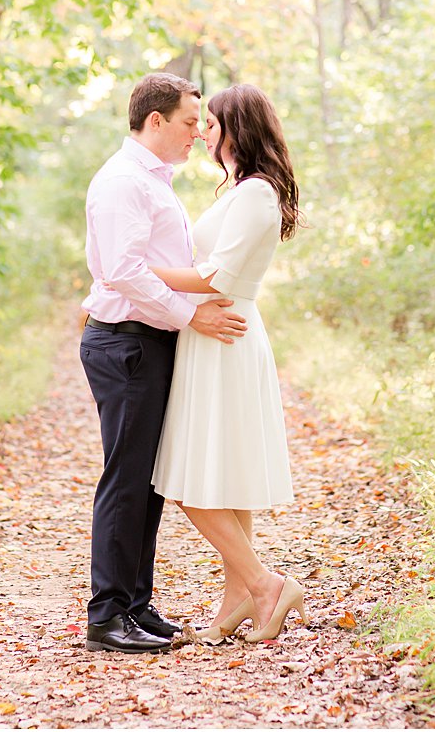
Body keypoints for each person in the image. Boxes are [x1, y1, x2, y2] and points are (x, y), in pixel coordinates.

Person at [78, 72, 249, 655]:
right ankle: (106, 615)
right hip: (125, 342)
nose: (198, 133)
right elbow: (122, 272)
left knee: (147, 481)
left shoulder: (154, 181)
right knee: (126, 479)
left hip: (148, 342)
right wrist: (189, 316)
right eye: (187, 122)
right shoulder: (124, 182)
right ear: (156, 121)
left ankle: (134, 604)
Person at [149, 83, 306, 643]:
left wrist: (140, 270)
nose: (203, 131)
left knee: (194, 484)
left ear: (238, 126)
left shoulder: (258, 193)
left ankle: (266, 584)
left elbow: (214, 276)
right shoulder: (238, 190)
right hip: (211, 333)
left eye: (211, 122)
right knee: (224, 477)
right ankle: (237, 596)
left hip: (227, 333)